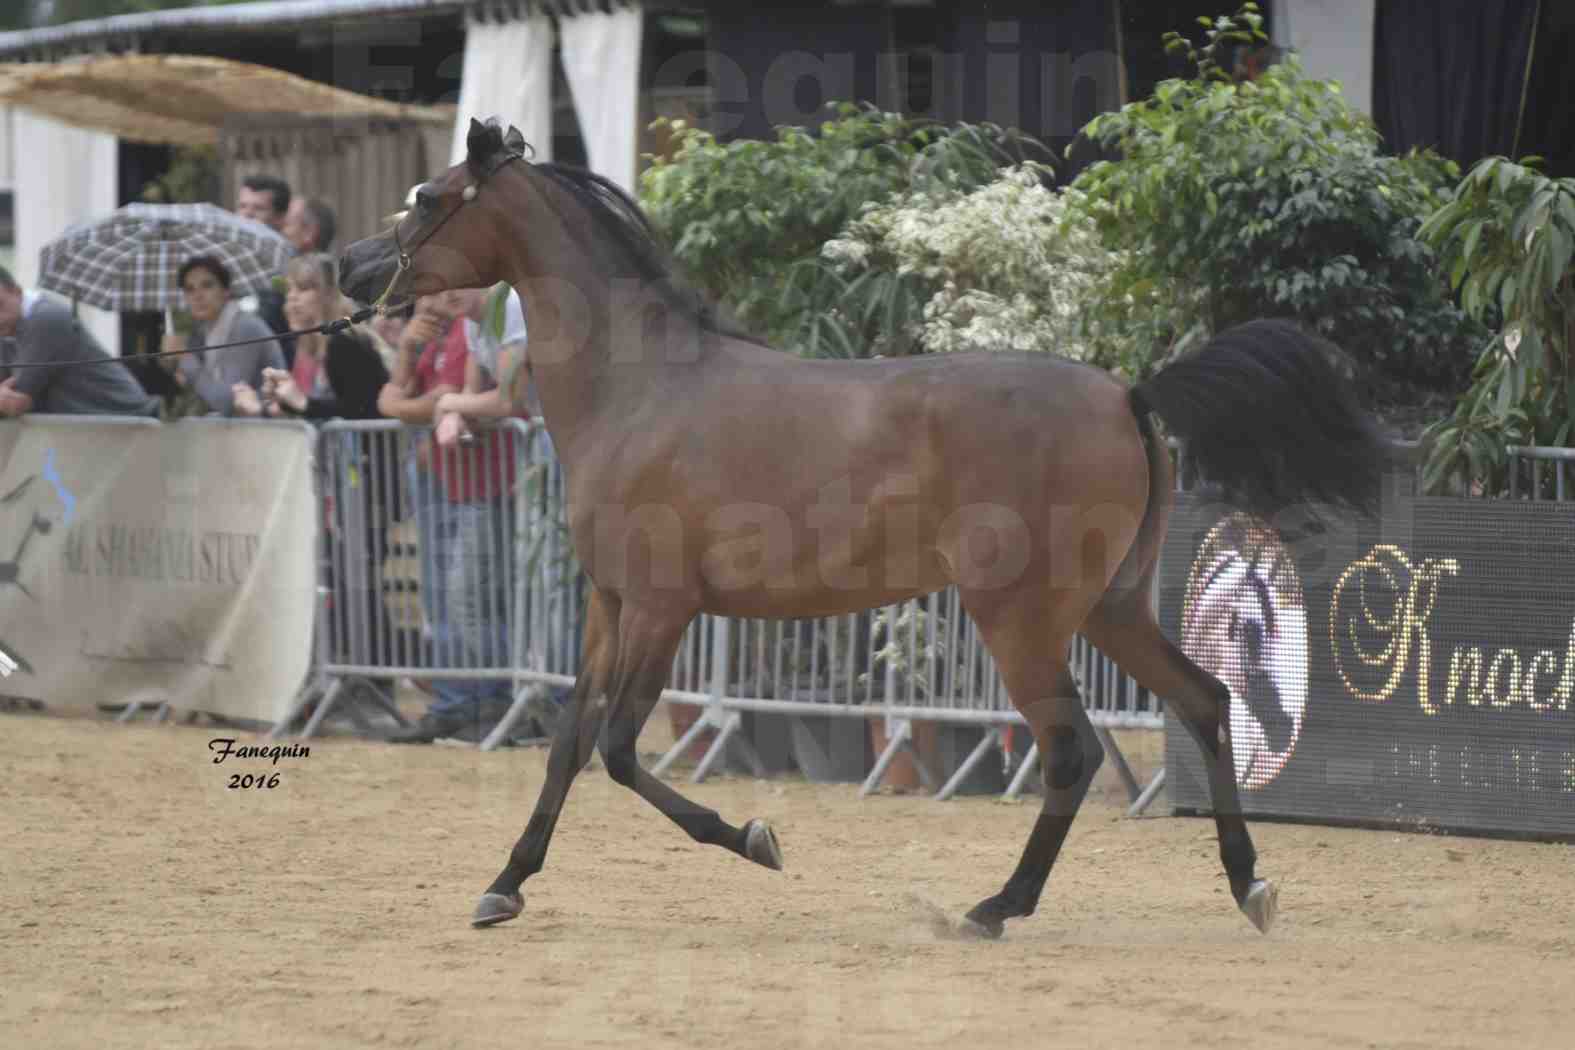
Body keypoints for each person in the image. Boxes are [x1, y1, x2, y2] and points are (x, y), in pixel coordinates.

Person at [237, 253, 386, 422]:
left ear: (328, 294)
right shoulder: (304, 345)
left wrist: (301, 402)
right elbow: (313, 410)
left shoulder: (343, 342)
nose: (292, 297)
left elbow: (362, 410)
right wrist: (276, 402)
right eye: (289, 289)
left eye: (303, 288)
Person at [0, 264, 161, 418]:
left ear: (17, 292)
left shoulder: (45, 318)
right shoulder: (10, 328)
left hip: (129, 423)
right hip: (96, 429)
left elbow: (16, 400)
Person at [160, 255, 285, 418]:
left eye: (207, 285)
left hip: (268, 430)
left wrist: (185, 358)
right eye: (189, 289)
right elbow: (200, 389)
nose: (197, 296)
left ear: (226, 291)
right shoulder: (204, 331)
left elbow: (227, 402)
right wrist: (171, 364)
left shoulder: (245, 327)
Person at [233, 174, 293, 343]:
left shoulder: (290, 266)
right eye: (243, 206)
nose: (247, 215)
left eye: (258, 208)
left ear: (280, 218)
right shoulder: (228, 261)